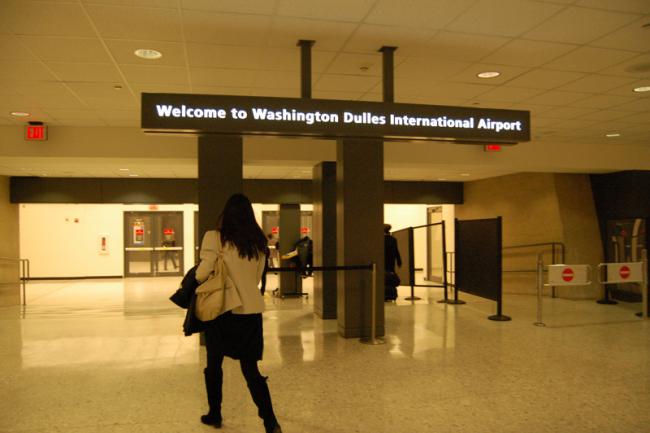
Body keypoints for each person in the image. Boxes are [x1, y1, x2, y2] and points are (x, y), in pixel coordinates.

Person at [195, 193, 282, 433]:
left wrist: (196, 280)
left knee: (214, 365)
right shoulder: (258, 242)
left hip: (221, 310)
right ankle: (270, 422)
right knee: (250, 369)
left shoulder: (214, 237)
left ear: (226, 214)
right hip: (250, 311)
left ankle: (215, 413)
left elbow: (203, 273)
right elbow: (256, 279)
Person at [384, 224, 402, 301]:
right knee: (391, 277)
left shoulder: (380, 239)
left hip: (383, 261)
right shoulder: (393, 239)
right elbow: (396, 251)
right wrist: (399, 261)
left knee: (384, 277)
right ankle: (391, 295)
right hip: (391, 262)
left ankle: (385, 295)